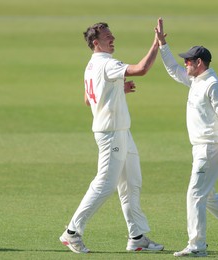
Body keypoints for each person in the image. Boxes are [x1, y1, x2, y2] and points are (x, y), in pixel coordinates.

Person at [155, 18, 218, 257]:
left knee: (195, 194)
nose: (185, 63)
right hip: (200, 147)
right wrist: (162, 44)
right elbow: (172, 69)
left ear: (199, 63)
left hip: (211, 147)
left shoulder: (213, 84)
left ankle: (197, 245)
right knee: (207, 195)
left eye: (188, 60)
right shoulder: (195, 80)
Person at [59, 21, 164, 254]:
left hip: (122, 131)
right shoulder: (107, 63)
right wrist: (156, 44)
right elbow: (142, 69)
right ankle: (72, 232)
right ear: (96, 43)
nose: (113, 38)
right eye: (108, 37)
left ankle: (136, 237)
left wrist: (117, 89)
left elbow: (89, 99)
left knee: (131, 183)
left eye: (112, 34)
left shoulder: (91, 65)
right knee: (105, 184)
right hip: (111, 133)